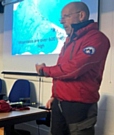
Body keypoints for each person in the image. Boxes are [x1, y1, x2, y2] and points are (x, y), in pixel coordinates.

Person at [35, 2, 110, 135]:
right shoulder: (70, 40)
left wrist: (44, 71)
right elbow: (61, 69)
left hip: (79, 106)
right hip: (59, 103)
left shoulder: (97, 39)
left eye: (66, 16)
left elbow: (75, 69)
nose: (62, 21)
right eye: (61, 18)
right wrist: (54, 95)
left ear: (81, 15)